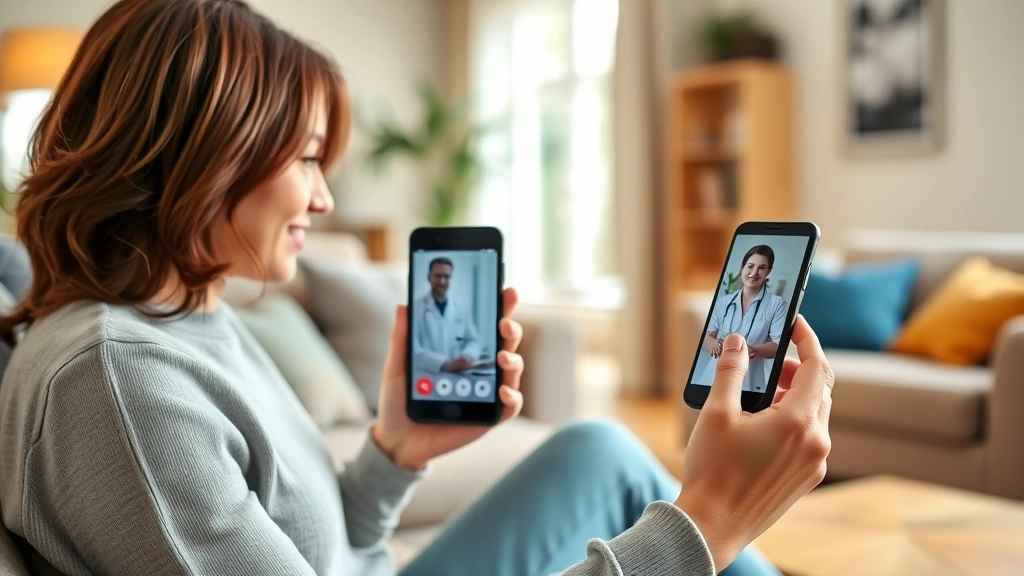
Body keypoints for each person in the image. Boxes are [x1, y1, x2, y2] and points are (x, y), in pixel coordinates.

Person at [0, 1, 835, 575]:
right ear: (200, 154)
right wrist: (704, 528)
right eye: (307, 158)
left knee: (599, 449)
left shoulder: (187, 314)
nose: (323, 199)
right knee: (679, 518)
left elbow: (322, 545)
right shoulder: (119, 378)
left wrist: (394, 449)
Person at [700, 245, 788, 393]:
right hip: (713, 379)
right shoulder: (724, 302)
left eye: (762, 268)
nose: (754, 273)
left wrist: (753, 350)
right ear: (743, 267)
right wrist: (712, 343)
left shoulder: (776, 304)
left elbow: (777, 346)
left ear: (768, 271)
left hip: (750, 383)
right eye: (750, 266)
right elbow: (708, 336)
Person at [412, 257, 482, 374]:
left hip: (458, 376)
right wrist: (445, 364)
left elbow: (473, 341)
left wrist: (467, 356)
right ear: (429, 278)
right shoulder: (415, 308)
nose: (442, 281)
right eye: (438, 276)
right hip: (427, 375)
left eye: (446, 276)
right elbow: (413, 349)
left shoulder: (461, 309)